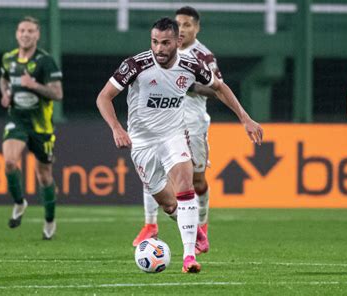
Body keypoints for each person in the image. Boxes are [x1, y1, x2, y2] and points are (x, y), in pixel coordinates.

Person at [97, 17, 262, 273]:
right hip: (142, 142)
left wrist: (245, 118)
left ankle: (189, 258)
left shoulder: (191, 64)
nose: (159, 48)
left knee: (185, 187)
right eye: (155, 42)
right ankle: (193, 230)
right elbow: (104, 97)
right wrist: (117, 129)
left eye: (165, 42)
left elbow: (219, 87)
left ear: (178, 41)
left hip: (173, 134)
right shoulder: (136, 65)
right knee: (169, 204)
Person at [131, 6, 221, 255]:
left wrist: (190, 85)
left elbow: (216, 89)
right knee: (154, 169)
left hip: (193, 122)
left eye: (188, 25)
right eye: (178, 24)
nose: (182, 29)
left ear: (197, 28)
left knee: (196, 181)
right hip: (165, 123)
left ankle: (201, 227)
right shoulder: (161, 52)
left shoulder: (203, 56)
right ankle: (150, 223)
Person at [0, 16, 63, 240]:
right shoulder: (8, 58)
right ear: (17, 34)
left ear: (37, 35)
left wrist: (33, 85)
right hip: (17, 120)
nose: (25, 34)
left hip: (41, 126)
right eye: (22, 31)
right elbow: (4, 79)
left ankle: (49, 220)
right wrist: (5, 93)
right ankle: (19, 203)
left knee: (44, 176)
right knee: (9, 162)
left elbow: (57, 93)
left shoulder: (45, 61)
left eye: (30, 31)